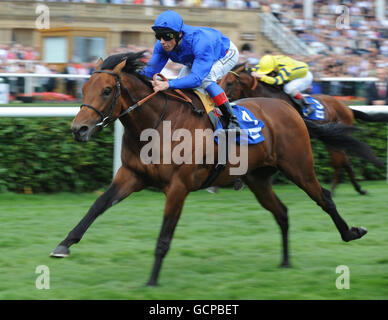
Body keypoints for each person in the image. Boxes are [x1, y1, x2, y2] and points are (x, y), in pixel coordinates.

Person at [142, 10, 240, 132]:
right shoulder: (161, 45)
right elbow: (148, 73)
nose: (162, 41)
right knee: (180, 85)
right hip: (196, 58)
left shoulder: (200, 42)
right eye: (158, 36)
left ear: (180, 34)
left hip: (224, 53)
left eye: (167, 36)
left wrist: (168, 84)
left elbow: (197, 79)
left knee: (206, 79)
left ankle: (232, 120)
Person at [250, 54, 315, 116]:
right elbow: (258, 67)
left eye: (269, 72)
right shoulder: (271, 62)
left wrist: (262, 77)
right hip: (293, 74)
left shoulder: (285, 68)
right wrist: (250, 70)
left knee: (288, 88)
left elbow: (277, 81)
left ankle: (307, 105)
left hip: (304, 77)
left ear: (275, 68)